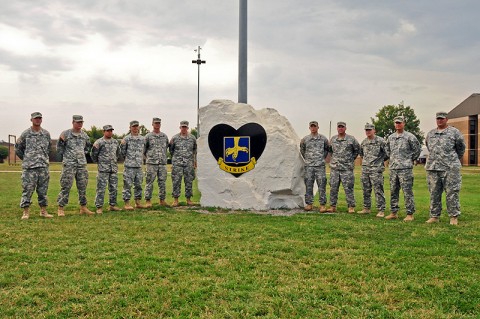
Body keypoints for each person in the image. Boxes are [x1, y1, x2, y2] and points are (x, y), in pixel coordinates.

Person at [425, 111, 466, 225]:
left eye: (442, 118)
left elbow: (461, 148)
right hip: (433, 168)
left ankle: (453, 216)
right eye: (438, 118)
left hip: (450, 168)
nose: (440, 120)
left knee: (452, 192)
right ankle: (434, 216)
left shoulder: (454, 132)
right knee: (434, 192)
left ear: (446, 119)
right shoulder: (431, 133)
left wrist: (452, 160)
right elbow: (428, 147)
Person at [15, 112, 53, 220]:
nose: (38, 120)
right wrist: (27, 158)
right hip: (29, 168)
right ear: (31, 120)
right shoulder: (26, 134)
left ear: (42, 120)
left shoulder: (46, 134)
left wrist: (43, 158)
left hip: (43, 167)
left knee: (43, 190)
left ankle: (43, 211)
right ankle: (26, 212)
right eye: (35, 118)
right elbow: (18, 148)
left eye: (39, 118)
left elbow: (49, 148)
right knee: (27, 189)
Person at [385, 115, 421, 221]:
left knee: (407, 191)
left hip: (405, 169)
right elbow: (387, 150)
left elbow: (417, 150)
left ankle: (410, 214)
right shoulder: (391, 137)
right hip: (393, 168)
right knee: (393, 191)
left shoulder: (410, 137)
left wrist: (408, 160)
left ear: (404, 123)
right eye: (396, 123)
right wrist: (392, 159)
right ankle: (393, 212)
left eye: (399, 122)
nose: (397, 124)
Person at [57, 115, 94, 216]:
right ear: (72, 122)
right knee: (66, 186)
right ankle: (61, 208)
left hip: (81, 165)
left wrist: (80, 156)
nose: (80, 124)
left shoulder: (85, 135)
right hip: (69, 164)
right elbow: (59, 148)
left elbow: (87, 148)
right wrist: (68, 157)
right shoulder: (65, 134)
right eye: (78, 122)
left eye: (81, 122)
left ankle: (83, 207)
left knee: (82, 187)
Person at [327, 121, 360, 213]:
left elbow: (357, 150)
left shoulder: (351, 139)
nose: (340, 128)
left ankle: (351, 207)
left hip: (347, 169)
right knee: (333, 188)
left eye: (342, 127)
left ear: (345, 128)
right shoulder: (333, 139)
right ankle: (332, 206)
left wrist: (350, 160)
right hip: (335, 168)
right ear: (337, 128)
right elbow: (330, 151)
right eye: (339, 127)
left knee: (348, 188)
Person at [358, 123, 388, 217]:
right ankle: (366, 208)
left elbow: (387, 153)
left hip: (376, 169)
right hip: (365, 169)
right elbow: (362, 154)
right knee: (366, 189)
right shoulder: (364, 142)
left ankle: (381, 210)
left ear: (374, 130)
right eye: (366, 130)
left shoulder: (381, 141)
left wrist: (379, 162)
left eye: (369, 130)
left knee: (378, 189)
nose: (368, 132)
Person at [299, 121, 329, 212]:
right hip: (309, 166)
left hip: (320, 166)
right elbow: (302, 150)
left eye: (314, 126)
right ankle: (309, 204)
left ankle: (322, 205)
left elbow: (326, 150)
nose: (313, 128)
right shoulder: (305, 139)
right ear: (309, 128)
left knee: (322, 185)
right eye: (311, 126)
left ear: (318, 127)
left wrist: (321, 159)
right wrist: (309, 160)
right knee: (308, 185)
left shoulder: (323, 139)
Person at [91, 125, 121, 214]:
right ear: (103, 131)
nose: (110, 132)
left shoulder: (115, 142)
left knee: (114, 188)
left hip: (113, 169)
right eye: (108, 131)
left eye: (111, 131)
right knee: (101, 188)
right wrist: (100, 163)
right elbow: (93, 154)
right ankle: (99, 207)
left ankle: (112, 205)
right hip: (103, 169)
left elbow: (117, 153)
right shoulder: (99, 142)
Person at [169, 120, 197, 207]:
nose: (184, 129)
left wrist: (194, 162)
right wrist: (176, 160)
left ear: (187, 128)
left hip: (189, 164)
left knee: (189, 181)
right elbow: (171, 150)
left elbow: (195, 150)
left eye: (185, 127)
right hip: (177, 164)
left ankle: (188, 199)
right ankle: (175, 200)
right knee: (176, 182)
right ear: (180, 127)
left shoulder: (192, 138)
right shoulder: (174, 138)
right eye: (182, 127)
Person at [120, 120, 147, 210]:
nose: (135, 128)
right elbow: (122, 152)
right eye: (133, 126)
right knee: (127, 184)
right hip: (129, 166)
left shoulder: (143, 139)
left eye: (137, 126)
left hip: (139, 166)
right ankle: (127, 203)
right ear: (130, 127)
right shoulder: (126, 139)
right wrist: (129, 160)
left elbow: (145, 150)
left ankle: (137, 202)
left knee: (138, 185)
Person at [144, 117, 169, 207]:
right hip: (151, 163)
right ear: (152, 124)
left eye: (158, 123)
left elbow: (166, 147)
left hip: (162, 163)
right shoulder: (148, 136)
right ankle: (148, 200)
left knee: (162, 182)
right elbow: (144, 149)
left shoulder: (164, 136)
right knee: (149, 182)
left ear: (160, 124)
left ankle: (162, 200)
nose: (157, 125)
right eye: (155, 123)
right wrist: (149, 159)